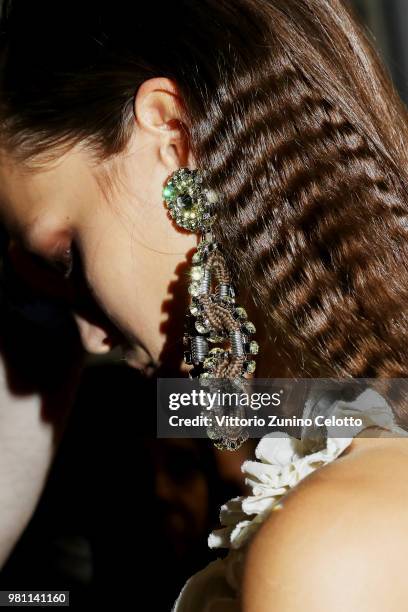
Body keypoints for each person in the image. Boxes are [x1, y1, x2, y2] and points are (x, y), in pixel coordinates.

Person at [0, 0, 408, 609]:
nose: (89, 340)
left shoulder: (331, 545)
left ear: (174, 135)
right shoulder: (359, 437)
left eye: (66, 258)